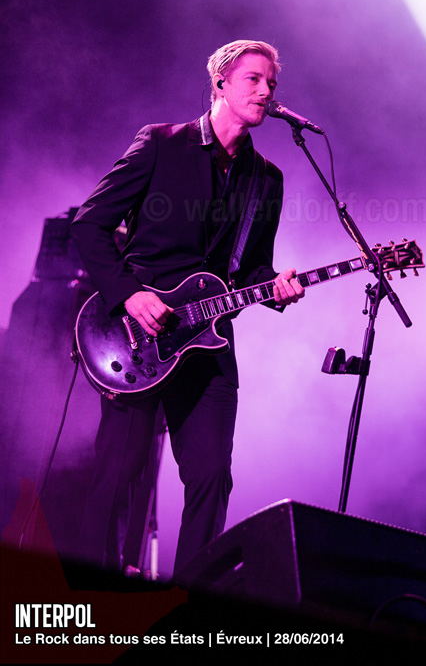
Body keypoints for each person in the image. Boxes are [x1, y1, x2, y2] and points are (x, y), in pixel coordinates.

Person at [71, 39, 304, 580]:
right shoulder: (161, 143)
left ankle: (188, 604)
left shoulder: (267, 179)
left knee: (211, 475)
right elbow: (89, 224)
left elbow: (250, 269)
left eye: (271, 83)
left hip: (207, 345)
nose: (266, 91)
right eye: (253, 79)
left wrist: (275, 287)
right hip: (135, 335)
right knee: (119, 472)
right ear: (220, 83)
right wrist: (129, 293)